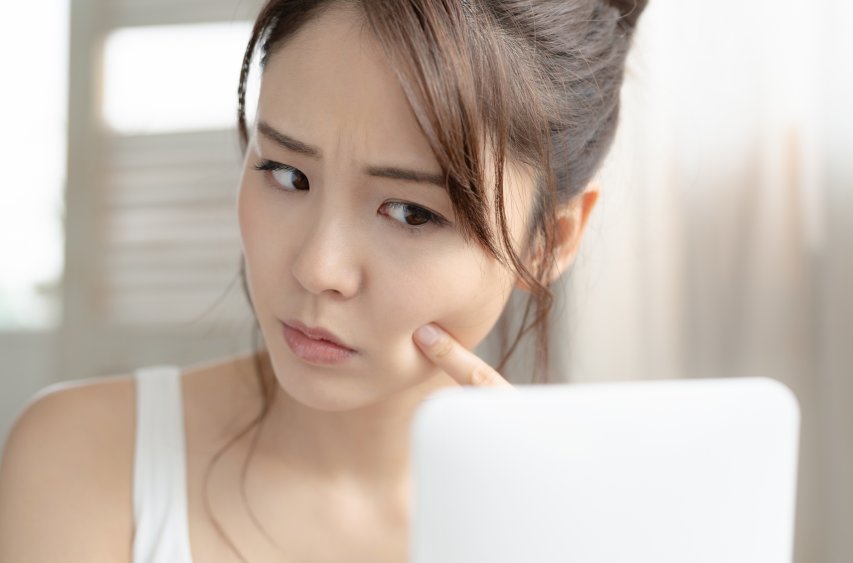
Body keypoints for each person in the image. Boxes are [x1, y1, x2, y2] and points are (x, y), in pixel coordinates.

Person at [0, 0, 648, 561]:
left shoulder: (597, 527)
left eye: (411, 212)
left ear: (548, 241)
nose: (317, 267)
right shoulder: (85, 459)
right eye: (287, 173)